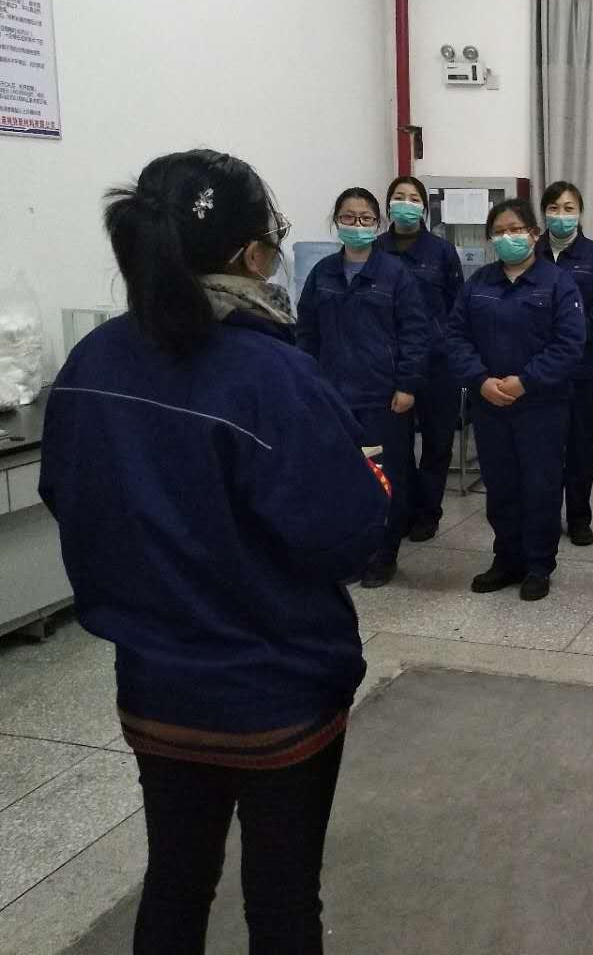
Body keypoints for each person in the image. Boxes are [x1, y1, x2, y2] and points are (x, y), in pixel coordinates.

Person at [39, 149, 390, 955]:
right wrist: (369, 481)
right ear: (253, 255)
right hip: (274, 691)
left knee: (175, 880)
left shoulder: (93, 362)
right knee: (282, 901)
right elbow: (343, 535)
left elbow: (69, 496)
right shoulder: (272, 376)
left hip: (155, 688)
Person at [447, 197, 586, 602]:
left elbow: (569, 344)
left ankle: (539, 564)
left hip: (541, 406)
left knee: (540, 485)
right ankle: (506, 558)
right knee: (501, 485)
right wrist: (481, 380)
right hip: (489, 404)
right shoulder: (479, 283)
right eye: (499, 232)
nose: (507, 237)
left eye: (515, 229)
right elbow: (455, 337)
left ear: (534, 234)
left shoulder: (558, 283)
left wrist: (526, 381)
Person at [297, 188, 431, 589]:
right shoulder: (323, 273)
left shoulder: (395, 274)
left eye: (366, 218)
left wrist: (407, 384)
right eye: (349, 217)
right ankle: (354, 551)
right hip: (334, 395)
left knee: (386, 478)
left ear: (378, 224)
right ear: (336, 221)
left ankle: (383, 553)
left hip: (383, 397)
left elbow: (415, 332)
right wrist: (308, 382)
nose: (357, 225)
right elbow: (307, 332)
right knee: (343, 478)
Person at [378, 175, 464, 543]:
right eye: (399, 197)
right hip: (389, 364)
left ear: (424, 208)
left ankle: (428, 512)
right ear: (388, 205)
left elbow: (458, 305)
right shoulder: (375, 249)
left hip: (436, 363)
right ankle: (404, 508)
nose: (406, 203)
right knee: (394, 446)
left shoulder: (441, 251)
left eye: (414, 198)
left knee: (437, 442)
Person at [540, 181, 593, 546]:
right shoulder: (532, 251)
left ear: (580, 213)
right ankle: (545, 516)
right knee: (543, 448)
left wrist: (572, 329)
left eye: (569, 208)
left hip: (582, 369)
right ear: (544, 212)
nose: (561, 215)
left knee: (579, 446)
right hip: (538, 370)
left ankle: (579, 518)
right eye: (554, 208)